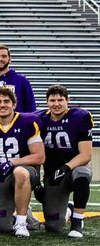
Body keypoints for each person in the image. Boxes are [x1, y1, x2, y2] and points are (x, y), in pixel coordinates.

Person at [0, 85, 45, 236]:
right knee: (1, 227)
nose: (2, 105)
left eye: (6, 101)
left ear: (14, 104)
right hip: (1, 177)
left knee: (20, 173)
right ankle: (25, 215)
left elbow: (39, 157)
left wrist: (13, 162)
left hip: (27, 173)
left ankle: (21, 222)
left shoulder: (27, 122)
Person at [37, 85, 93, 237]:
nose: (56, 103)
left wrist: (65, 169)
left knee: (82, 174)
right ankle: (68, 209)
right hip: (51, 175)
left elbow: (86, 155)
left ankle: (77, 222)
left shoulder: (79, 117)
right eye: (52, 100)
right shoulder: (40, 120)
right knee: (54, 227)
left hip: (73, 168)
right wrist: (37, 183)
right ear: (47, 102)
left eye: (60, 100)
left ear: (68, 100)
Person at [0, 45, 37, 113]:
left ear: (10, 59)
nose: (0, 59)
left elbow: (30, 107)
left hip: (17, 122)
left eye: (4, 56)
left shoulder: (22, 80)